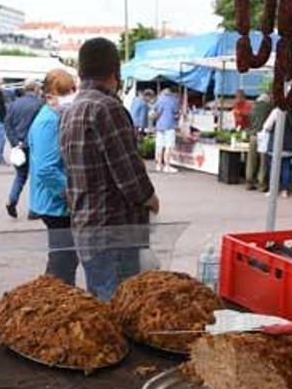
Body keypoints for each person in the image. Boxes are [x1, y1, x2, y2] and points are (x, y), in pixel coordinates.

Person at [60, 38, 159, 301]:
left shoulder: (71, 110)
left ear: (81, 72)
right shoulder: (108, 108)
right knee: (120, 311)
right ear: (116, 72)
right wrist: (150, 198)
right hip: (115, 234)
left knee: (102, 308)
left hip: (86, 230)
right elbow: (130, 178)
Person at [27, 69, 79, 286]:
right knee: (63, 260)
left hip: (56, 201)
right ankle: (54, 301)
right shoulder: (48, 122)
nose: (71, 97)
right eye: (65, 93)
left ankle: (54, 297)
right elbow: (47, 168)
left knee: (64, 258)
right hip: (56, 203)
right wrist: (70, 194)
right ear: (49, 97)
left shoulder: (56, 116)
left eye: (73, 91)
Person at [4, 79, 43, 218]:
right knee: (36, 177)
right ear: (36, 89)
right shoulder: (39, 105)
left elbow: (7, 125)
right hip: (33, 146)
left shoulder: (13, 105)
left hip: (18, 146)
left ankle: (11, 200)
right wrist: (26, 142)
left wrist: (15, 142)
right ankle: (34, 210)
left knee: (20, 175)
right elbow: (38, 126)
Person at [263, 104, 292, 198]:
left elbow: (266, 126)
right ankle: (284, 190)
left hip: (276, 145)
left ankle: (272, 190)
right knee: (286, 168)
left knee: (274, 168)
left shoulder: (276, 111)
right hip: (289, 145)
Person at [245, 93, 274, 191]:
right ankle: (262, 184)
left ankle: (249, 182)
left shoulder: (253, 107)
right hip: (264, 136)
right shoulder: (270, 107)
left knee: (251, 161)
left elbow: (249, 121)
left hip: (253, 136)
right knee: (263, 161)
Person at [153, 87, 179, 173]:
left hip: (159, 126)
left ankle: (158, 165)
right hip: (169, 125)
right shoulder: (173, 100)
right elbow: (176, 112)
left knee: (159, 146)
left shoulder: (159, 99)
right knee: (169, 146)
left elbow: (154, 110)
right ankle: (167, 166)